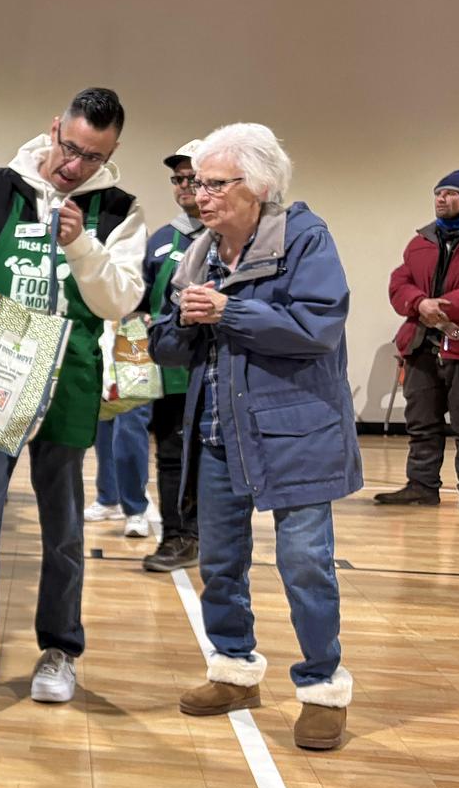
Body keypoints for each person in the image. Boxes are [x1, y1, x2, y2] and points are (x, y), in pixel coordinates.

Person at [0, 87, 147, 714]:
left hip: (69, 376)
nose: (75, 165)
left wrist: (81, 244)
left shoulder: (119, 209)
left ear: (113, 153)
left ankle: (60, 650)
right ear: (55, 128)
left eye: (93, 157)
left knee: (64, 528)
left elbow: (119, 300)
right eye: (70, 147)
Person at [149, 123, 361, 751]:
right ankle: (235, 670)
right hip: (218, 431)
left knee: (305, 566)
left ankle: (323, 687)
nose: (199, 195)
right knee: (219, 563)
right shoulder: (197, 254)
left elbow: (317, 328)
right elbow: (166, 344)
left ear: (258, 187)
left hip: (296, 431)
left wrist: (229, 312)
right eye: (194, 183)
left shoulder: (304, 237)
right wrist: (184, 325)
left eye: (213, 183)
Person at [377, 170, 459, 512]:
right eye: (438, 193)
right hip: (422, 345)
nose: (441, 199)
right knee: (422, 422)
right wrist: (420, 303)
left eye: (450, 193)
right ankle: (421, 486)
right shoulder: (420, 242)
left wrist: (447, 304)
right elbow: (399, 283)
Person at [140, 140, 205, 571]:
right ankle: (177, 536)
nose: (183, 186)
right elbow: (140, 301)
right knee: (169, 457)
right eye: (178, 179)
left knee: (214, 461)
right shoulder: (163, 241)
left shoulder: (235, 237)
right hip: (171, 375)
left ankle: (208, 536)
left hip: (219, 374)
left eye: (192, 179)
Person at [83, 403, 152, 538]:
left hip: (139, 382)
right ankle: (109, 499)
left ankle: (135, 510)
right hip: (107, 381)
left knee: (130, 424)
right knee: (103, 422)